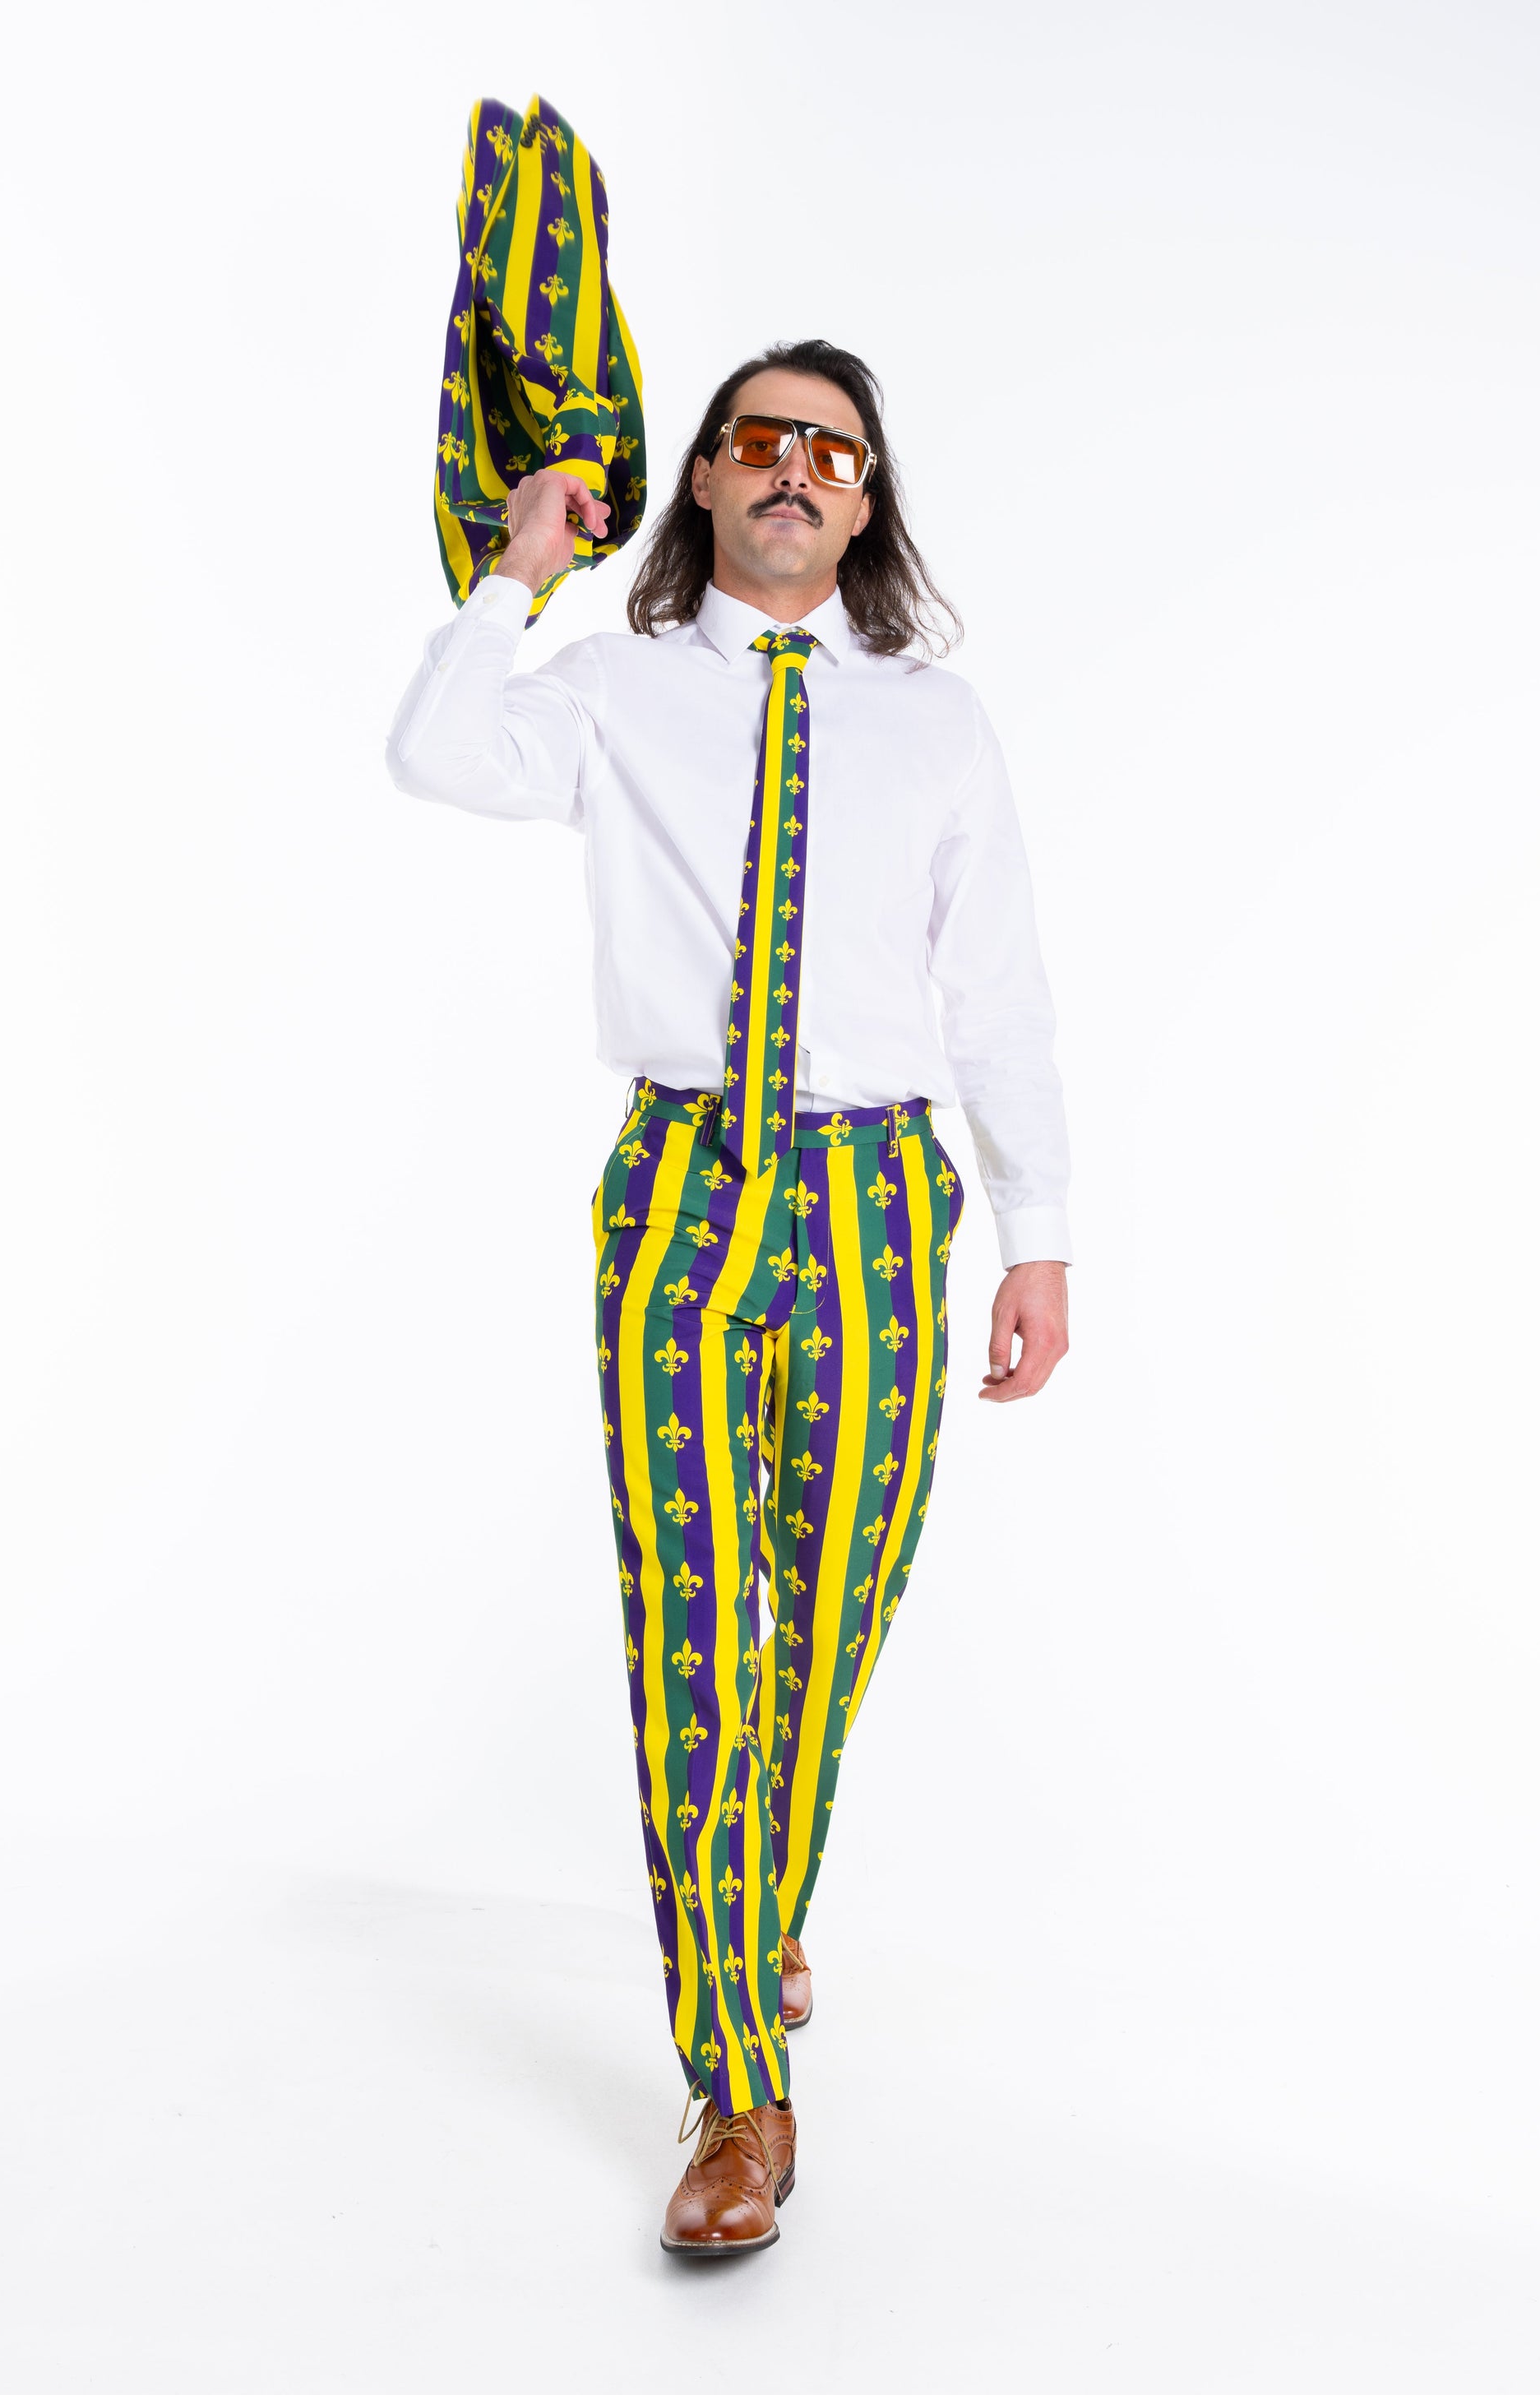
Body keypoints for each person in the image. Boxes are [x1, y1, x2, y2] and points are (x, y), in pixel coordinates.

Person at [385, 337, 1071, 2256]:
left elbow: (995, 982)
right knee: (693, 1626)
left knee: (829, 1604)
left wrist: (1038, 1225)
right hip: (682, 1179)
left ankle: (755, 1909)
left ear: (866, 502)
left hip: (872, 1193)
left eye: (831, 453)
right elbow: (436, 749)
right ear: (701, 477)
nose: (793, 470)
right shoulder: (614, 685)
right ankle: (736, 2089)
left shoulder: (934, 725)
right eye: (759, 439)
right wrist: (518, 573)